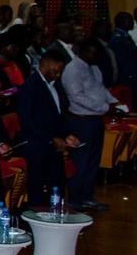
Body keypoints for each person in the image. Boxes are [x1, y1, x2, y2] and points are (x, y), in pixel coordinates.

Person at [60, 38, 116, 211]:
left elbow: (101, 89)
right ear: (83, 51)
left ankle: (87, 196)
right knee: (81, 162)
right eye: (93, 51)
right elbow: (76, 96)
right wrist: (104, 107)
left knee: (93, 161)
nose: (96, 55)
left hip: (95, 119)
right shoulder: (73, 69)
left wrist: (114, 102)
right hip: (81, 120)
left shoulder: (94, 68)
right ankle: (75, 199)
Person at [18, 48, 76, 208]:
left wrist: (67, 135)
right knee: (36, 188)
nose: (58, 75)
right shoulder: (30, 85)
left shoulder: (56, 85)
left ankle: (54, 218)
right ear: (45, 63)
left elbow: (60, 114)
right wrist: (50, 138)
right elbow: (26, 120)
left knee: (56, 186)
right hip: (37, 146)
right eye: (55, 70)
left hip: (54, 147)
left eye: (60, 72)